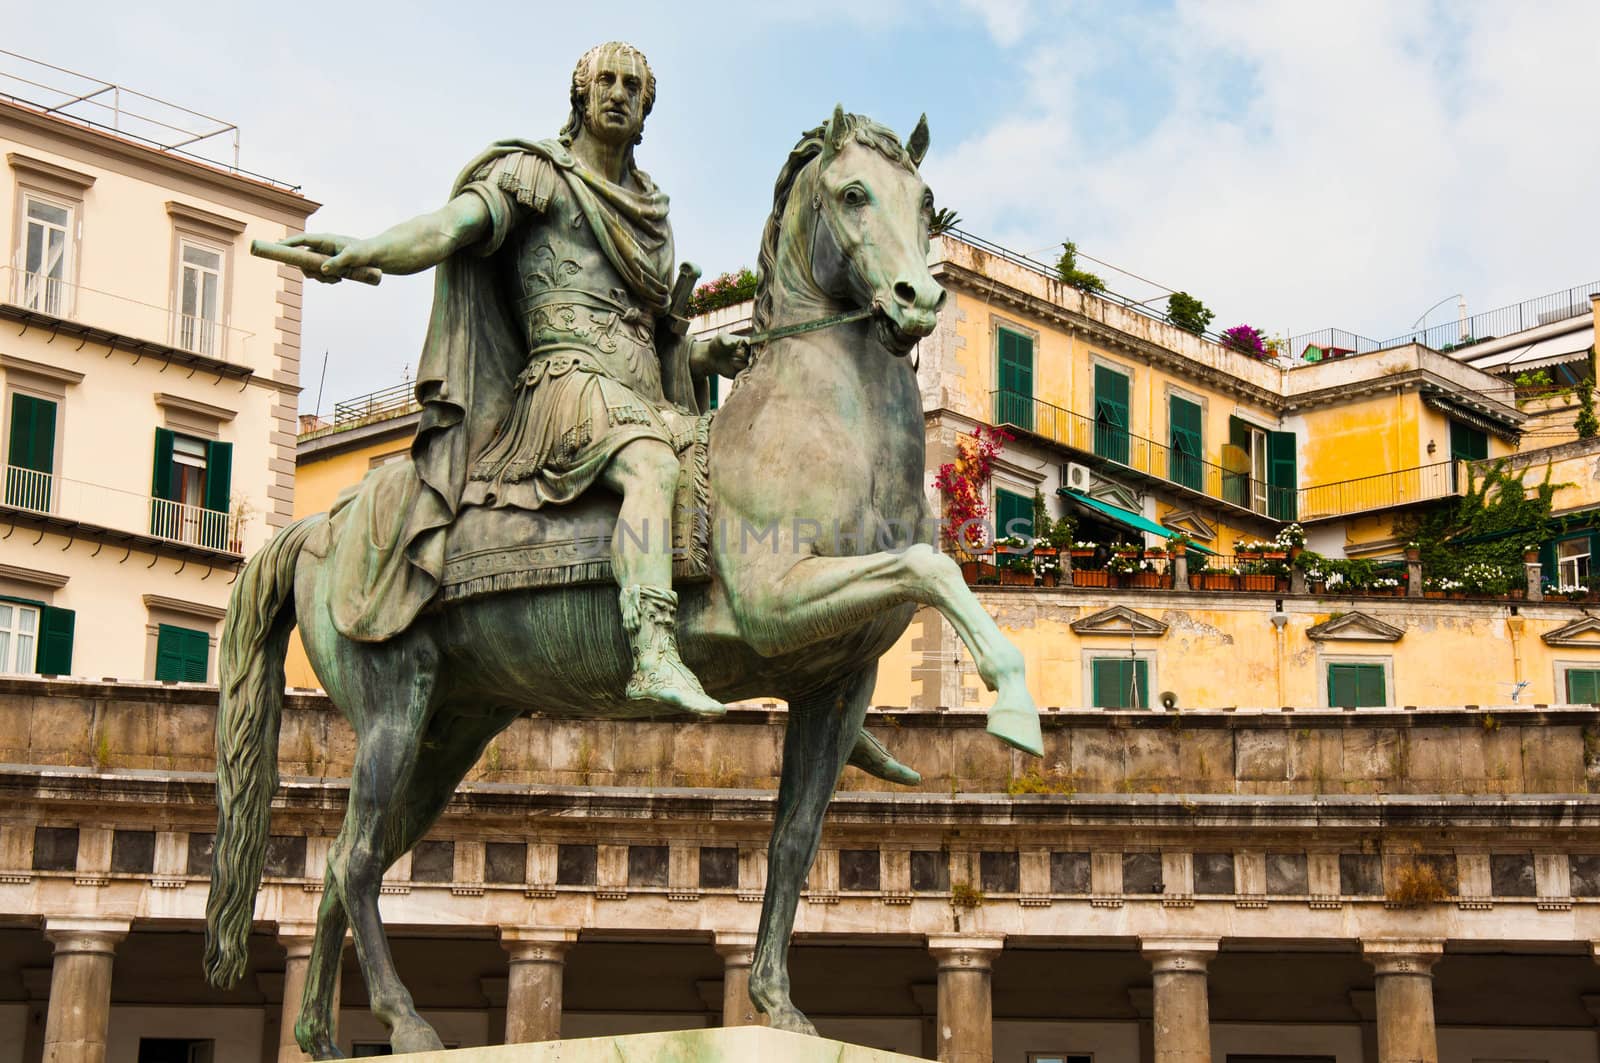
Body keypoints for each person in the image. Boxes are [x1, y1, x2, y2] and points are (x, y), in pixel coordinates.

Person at [287, 41, 744, 717]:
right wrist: (369, 249)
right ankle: (651, 650)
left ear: (647, 108)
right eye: (605, 82)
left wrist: (699, 361)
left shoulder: (652, 214)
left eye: (632, 87)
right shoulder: (538, 177)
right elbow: (451, 227)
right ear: (580, 97)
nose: (618, 93)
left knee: (730, 465)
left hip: (640, 392)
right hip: (565, 387)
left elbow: (648, 329)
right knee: (651, 467)